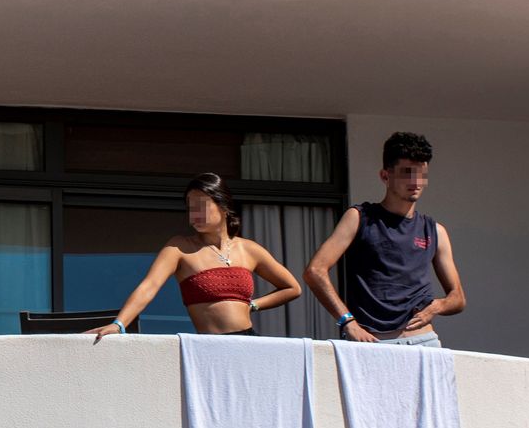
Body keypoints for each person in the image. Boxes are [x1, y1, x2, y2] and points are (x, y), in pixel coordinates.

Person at [87, 173, 301, 339]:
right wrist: (120, 324)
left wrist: (253, 305)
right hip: (208, 345)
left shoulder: (249, 249)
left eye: (202, 206)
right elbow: (148, 287)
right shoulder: (179, 247)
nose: (194, 215)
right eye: (191, 208)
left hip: (249, 342)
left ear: (224, 207)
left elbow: (292, 288)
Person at [305, 131, 464, 346]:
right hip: (373, 342)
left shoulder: (435, 231)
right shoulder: (359, 217)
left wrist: (436, 307)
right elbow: (315, 271)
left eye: (421, 173)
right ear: (385, 176)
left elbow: (458, 298)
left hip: (423, 341)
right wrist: (347, 321)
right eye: (407, 173)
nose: (416, 181)